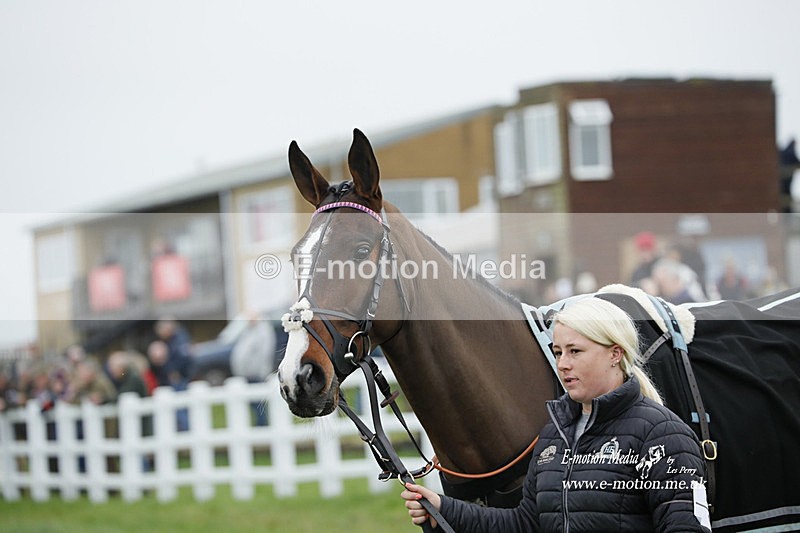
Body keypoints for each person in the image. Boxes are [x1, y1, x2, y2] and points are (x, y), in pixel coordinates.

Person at [401, 297, 710, 532]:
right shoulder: (554, 433)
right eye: (558, 351)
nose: (563, 364)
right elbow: (525, 523)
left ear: (616, 354)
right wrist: (443, 509)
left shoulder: (665, 436)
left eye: (575, 351)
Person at [230, 311, 276, 425]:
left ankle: (262, 426)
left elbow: (265, 353)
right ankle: (259, 425)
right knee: (252, 403)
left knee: (259, 403)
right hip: (246, 375)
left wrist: (261, 372)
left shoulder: (263, 331)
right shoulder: (248, 331)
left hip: (257, 375)